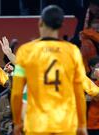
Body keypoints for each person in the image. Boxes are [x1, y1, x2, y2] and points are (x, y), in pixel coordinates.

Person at [8, 5, 87, 135]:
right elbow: (79, 92)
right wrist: (82, 124)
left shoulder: (25, 51)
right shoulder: (73, 51)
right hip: (65, 124)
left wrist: (17, 122)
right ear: (61, 25)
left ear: (40, 22)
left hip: (37, 124)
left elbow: (17, 93)